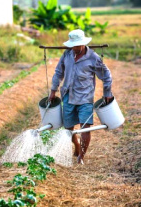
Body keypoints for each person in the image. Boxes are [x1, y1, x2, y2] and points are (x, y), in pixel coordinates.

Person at [48, 29, 113, 164]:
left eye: (78, 45)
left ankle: (81, 157)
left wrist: (107, 93)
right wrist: (53, 90)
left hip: (85, 98)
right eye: (73, 45)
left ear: (83, 43)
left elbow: (106, 76)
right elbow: (58, 72)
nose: (75, 48)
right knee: (68, 129)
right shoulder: (67, 55)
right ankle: (77, 146)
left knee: (85, 127)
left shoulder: (93, 58)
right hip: (68, 96)